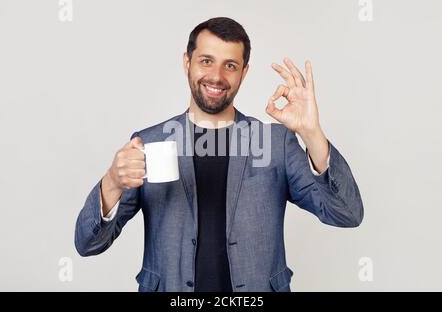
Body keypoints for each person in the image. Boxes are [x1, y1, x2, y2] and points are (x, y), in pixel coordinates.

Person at [75, 17, 363, 292]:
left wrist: (312, 133)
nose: (216, 75)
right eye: (206, 61)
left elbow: (347, 214)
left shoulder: (275, 143)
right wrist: (112, 182)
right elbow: (88, 244)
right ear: (187, 62)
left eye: (230, 65)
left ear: (244, 72)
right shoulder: (147, 144)